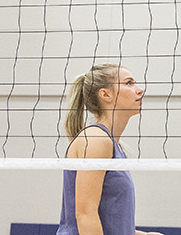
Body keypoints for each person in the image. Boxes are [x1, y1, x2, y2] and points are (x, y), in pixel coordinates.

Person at [58, 63, 160, 235]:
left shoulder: (113, 144)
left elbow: (109, 223)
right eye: (129, 83)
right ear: (105, 94)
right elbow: (85, 215)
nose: (139, 90)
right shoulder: (97, 139)